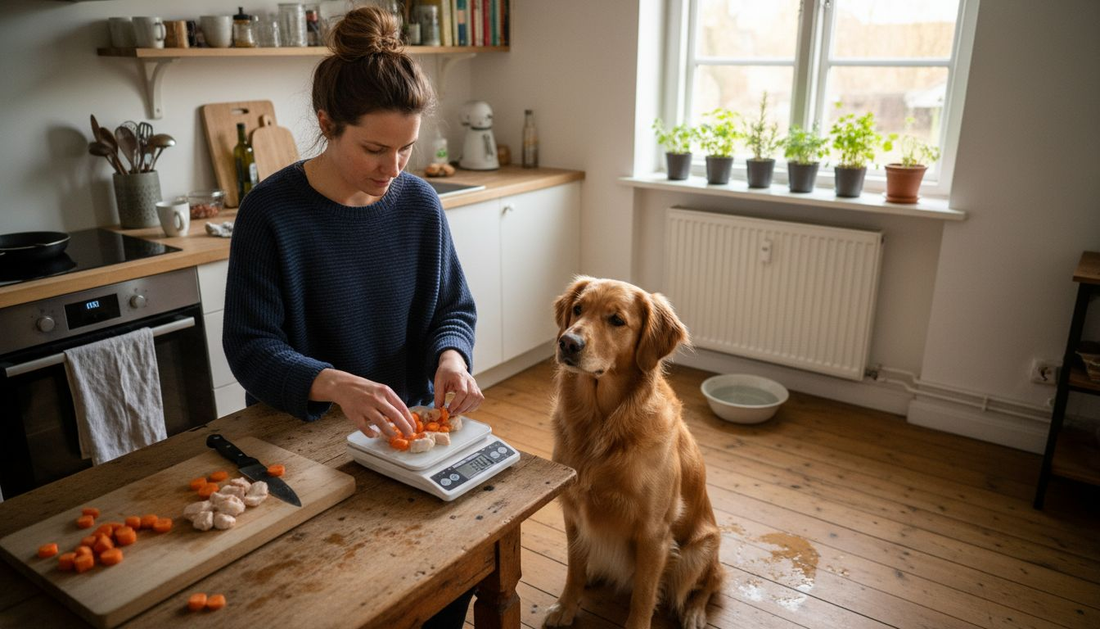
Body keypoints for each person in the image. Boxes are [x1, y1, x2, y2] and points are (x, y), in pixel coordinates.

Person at [222, 7, 482, 627]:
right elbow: (251, 346)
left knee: (449, 587)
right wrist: (335, 384)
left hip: (408, 437)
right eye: (373, 148)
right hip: (301, 447)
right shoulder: (270, 213)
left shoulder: (418, 202)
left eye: (406, 149)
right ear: (325, 125)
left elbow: (454, 306)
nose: (392, 170)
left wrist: (451, 355)